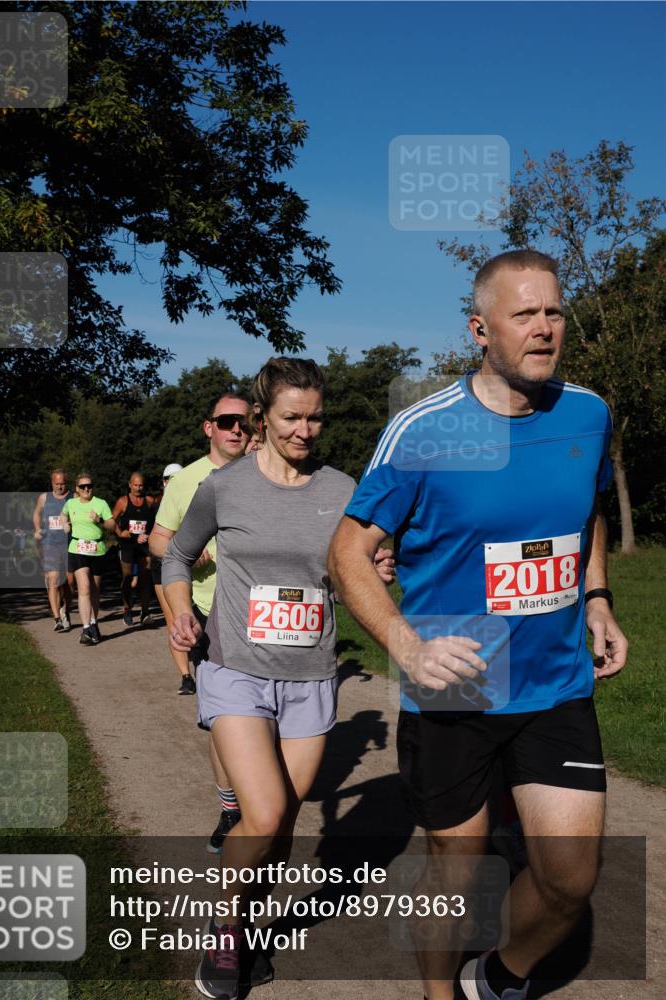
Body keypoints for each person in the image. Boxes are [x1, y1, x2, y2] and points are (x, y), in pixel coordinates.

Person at [328, 250, 628, 1000]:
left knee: (569, 878)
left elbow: (587, 510)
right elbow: (348, 552)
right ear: (479, 329)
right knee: (454, 873)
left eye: (554, 311)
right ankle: (438, 994)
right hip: (456, 690)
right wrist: (405, 645)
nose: (545, 327)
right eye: (524, 313)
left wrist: (597, 597)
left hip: (556, 685)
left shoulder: (587, 414)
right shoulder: (422, 431)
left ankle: (492, 979)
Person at [164, 358, 395, 999]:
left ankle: (250, 930)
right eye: (291, 417)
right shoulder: (224, 487)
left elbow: (360, 572)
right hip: (234, 667)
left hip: (311, 676)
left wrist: (378, 568)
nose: (305, 430)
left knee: (284, 822)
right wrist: (182, 614)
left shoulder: (346, 490)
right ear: (262, 418)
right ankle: (227, 929)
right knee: (262, 814)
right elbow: (178, 554)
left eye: (315, 416)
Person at [149, 393, 252, 854]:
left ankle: (264, 803)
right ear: (207, 427)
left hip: (265, 613)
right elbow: (158, 541)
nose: (237, 429)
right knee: (225, 722)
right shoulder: (187, 479)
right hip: (212, 612)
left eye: (245, 422)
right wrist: (194, 553)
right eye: (226, 421)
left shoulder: (268, 470)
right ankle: (232, 807)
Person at [61, 472, 115, 646]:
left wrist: (99, 519)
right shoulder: (71, 503)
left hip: (97, 549)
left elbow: (112, 525)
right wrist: (65, 524)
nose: (86, 489)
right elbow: (63, 515)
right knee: (83, 587)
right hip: (77, 549)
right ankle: (85, 629)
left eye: (89, 486)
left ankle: (93, 623)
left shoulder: (101, 503)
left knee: (94, 591)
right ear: (77, 488)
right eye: (82, 486)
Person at [111, 472, 157, 626]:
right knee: (128, 577)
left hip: (143, 545)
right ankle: (127, 608)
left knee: (145, 578)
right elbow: (112, 521)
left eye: (141, 485)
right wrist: (120, 532)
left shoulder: (149, 502)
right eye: (135, 485)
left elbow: (157, 522)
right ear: (129, 484)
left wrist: (149, 534)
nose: (138, 488)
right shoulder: (123, 502)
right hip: (127, 545)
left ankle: (145, 612)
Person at [32, 470, 74, 632]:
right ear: (52, 483)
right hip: (50, 544)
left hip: (69, 544)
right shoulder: (44, 498)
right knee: (53, 579)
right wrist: (37, 529)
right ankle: (57, 618)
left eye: (62, 483)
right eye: (57, 484)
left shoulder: (73, 497)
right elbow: (36, 514)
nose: (60, 487)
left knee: (70, 582)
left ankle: (66, 611)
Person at [150, 463, 183, 637]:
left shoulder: (192, 504)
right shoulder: (155, 507)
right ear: (163, 482)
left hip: (186, 567)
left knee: (185, 616)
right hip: (161, 565)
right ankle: (183, 663)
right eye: (168, 479)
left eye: (177, 478)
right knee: (172, 619)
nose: (172, 482)